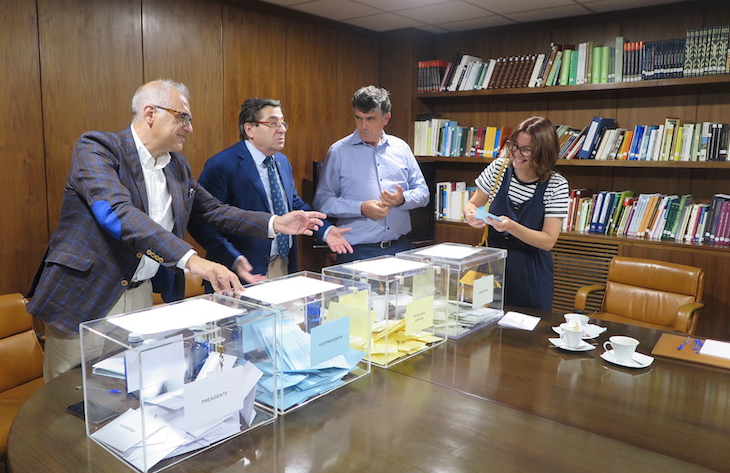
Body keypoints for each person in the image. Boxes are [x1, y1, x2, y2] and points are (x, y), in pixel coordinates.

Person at [26, 79, 325, 381]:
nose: (189, 127)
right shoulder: (98, 149)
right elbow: (116, 213)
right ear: (150, 113)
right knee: (71, 393)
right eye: (183, 116)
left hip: (140, 293)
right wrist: (193, 260)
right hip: (87, 294)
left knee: (127, 388)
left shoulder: (176, 166)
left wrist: (274, 223)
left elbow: (213, 211)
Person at [196, 98, 353, 287]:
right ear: (250, 129)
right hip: (240, 273)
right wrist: (234, 259)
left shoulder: (281, 161)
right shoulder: (222, 165)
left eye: (282, 122)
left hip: (283, 266)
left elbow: (293, 205)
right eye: (272, 123)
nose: (282, 129)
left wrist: (325, 230)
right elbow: (204, 223)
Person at [462, 116, 569, 310]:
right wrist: (470, 214)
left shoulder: (556, 185)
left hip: (531, 272)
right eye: (514, 145)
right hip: (491, 266)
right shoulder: (499, 168)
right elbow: (472, 203)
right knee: (484, 324)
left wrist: (511, 226)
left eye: (526, 149)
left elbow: (548, 241)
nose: (516, 153)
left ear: (543, 152)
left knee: (528, 332)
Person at [313, 85, 429, 261]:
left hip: (401, 248)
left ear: (386, 118)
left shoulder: (401, 148)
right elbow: (322, 202)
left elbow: (423, 193)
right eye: (358, 118)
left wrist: (402, 199)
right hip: (357, 251)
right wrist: (360, 208)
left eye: (370, 119)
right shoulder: (339, 152)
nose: (363, 126)